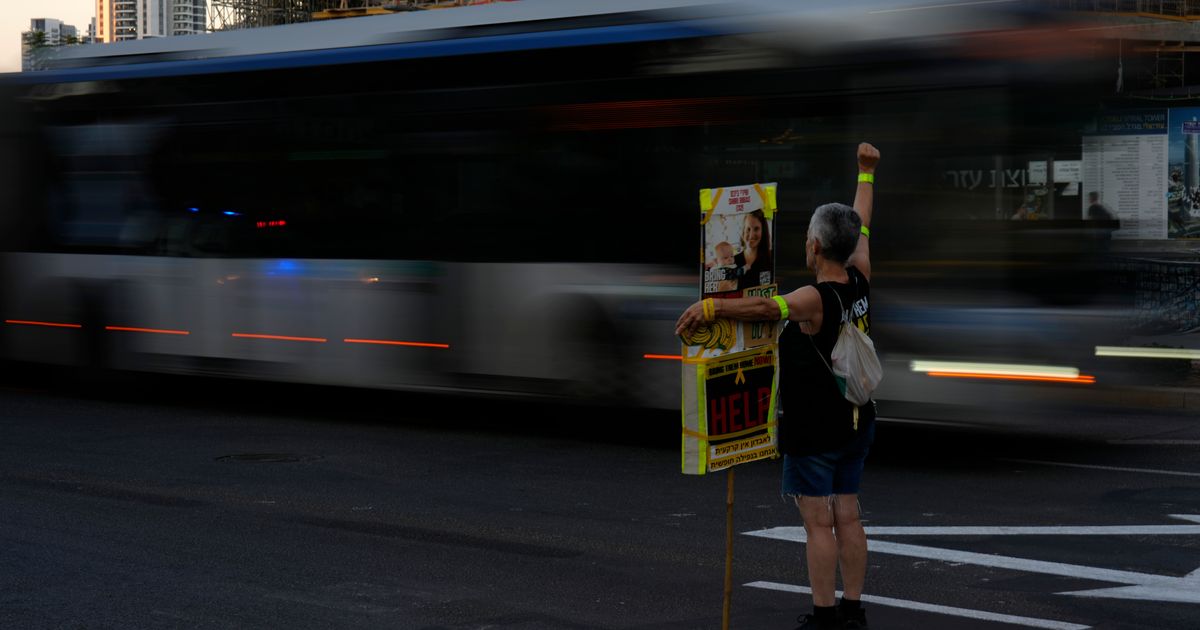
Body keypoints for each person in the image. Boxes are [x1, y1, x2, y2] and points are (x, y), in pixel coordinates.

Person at [676, 142, 880, 630]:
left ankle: (825, 616)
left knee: (818, 522)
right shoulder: (860, 278)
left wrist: (713, 307)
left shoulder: (813, 297)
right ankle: (852, 610)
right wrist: (866, 174)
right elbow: (863, 223)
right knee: (849, 514)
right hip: (858, 419)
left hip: (815, 429)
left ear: (813, 245)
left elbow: (768, 309)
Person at [735, 209, 774, 289]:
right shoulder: (733, 261)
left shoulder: (771, 258)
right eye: (748, 229)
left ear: (763, 231)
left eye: (756, 229)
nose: (751, 235)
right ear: (743, 231)